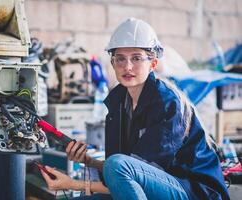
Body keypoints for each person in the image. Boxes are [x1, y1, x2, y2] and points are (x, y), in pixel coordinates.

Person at [41, 18, 230, 200]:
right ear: (113, 63)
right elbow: (123, 174)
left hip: (194, 192)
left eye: (136, 58)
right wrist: (89, 161)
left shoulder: (166, 103)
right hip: (158, 188)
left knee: (117, 164)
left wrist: (73, 184)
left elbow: (130, 172)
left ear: (153, 64)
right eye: (120, 59)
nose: (127, 66)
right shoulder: (117, 103)